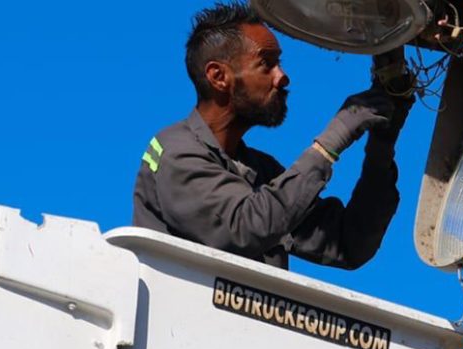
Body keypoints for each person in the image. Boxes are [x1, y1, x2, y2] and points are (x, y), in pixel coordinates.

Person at [132, 1, 414, 270]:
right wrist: (332, 141)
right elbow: (243, 229)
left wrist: (381, 147)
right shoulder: (174, 152)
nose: (282, 76)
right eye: (266, 64)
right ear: (219, 76)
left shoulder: (258, 170)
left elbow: (348, 243)